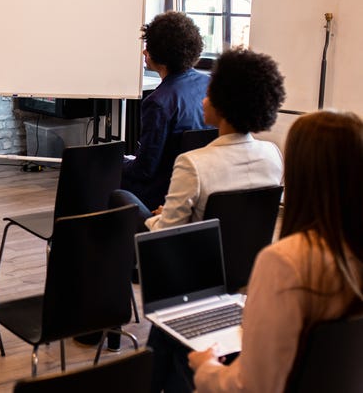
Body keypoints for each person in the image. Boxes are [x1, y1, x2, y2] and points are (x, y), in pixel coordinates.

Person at [151, 110, 363, 392]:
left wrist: (206, 367)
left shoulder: (285, 263)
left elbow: (251, 386)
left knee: (171, 341)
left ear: (301, 173)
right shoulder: (349, 254)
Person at [112, 47, 285, 232]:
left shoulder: (193, 164)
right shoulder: (273, 154)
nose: (203, 101)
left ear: (222, 103)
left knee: (120, 197)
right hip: (244, 247)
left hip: (194, 248)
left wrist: (162, 216)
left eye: (209, 95)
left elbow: (165, 233)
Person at [121, 11, 210, 210]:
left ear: (161, 53)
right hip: (201, 185)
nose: (144, 52)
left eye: (148, 46)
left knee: (101, 176)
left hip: (164, 191)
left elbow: (144, 170)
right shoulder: (210, 84)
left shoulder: (158, 102)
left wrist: (118, 163)